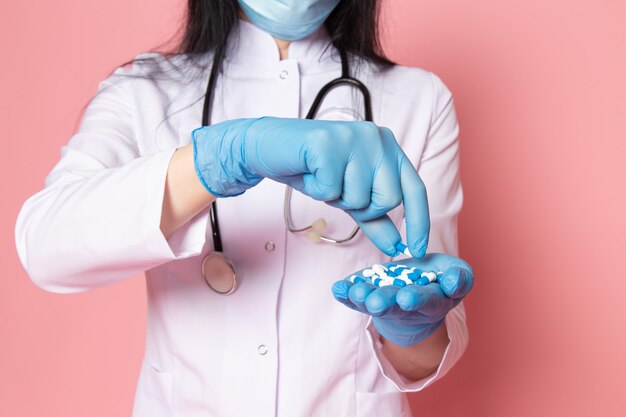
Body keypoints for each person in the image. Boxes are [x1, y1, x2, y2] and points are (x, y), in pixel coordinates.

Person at [15, 1, 474, 416]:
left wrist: (412, 328)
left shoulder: (420, 99)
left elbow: (426, 353)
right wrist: (222, 157)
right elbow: (46, 245)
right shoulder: (144, 91)